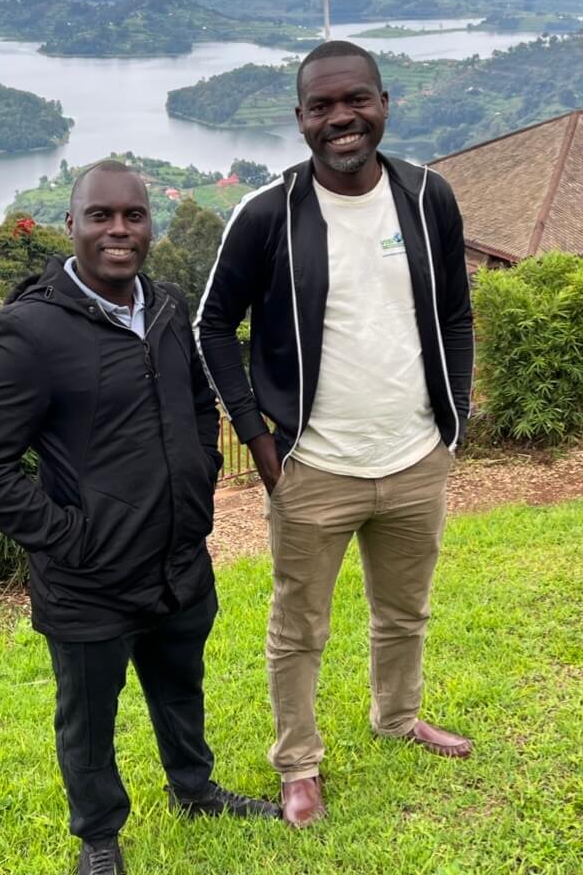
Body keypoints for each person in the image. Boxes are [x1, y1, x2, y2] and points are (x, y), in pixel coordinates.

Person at [0, 161, 279, 875]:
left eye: (132, 216)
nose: (118, 231)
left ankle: (193, 791)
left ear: (149, 225)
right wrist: (72, 540)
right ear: (70, 224)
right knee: (88, 716)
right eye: (99, 216)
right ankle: (98, 838)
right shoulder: (28, 332)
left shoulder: (165, 306)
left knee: (180, 686)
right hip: (87, 579)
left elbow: (198, 401)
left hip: (177, 555)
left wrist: (200, 475)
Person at [195, 41, 475, 828]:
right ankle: (299, 765)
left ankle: (397, 717)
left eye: (355, 100)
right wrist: (255, 437)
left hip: (416, 456)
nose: (340, 118)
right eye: (321, 106)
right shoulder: (267, 215)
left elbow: (454, 311)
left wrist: (453, 414)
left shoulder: (427, 199)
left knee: (404, 611)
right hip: (311, 467)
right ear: (300, 120)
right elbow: (213, 326)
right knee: (298, 629)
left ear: (384, 103)